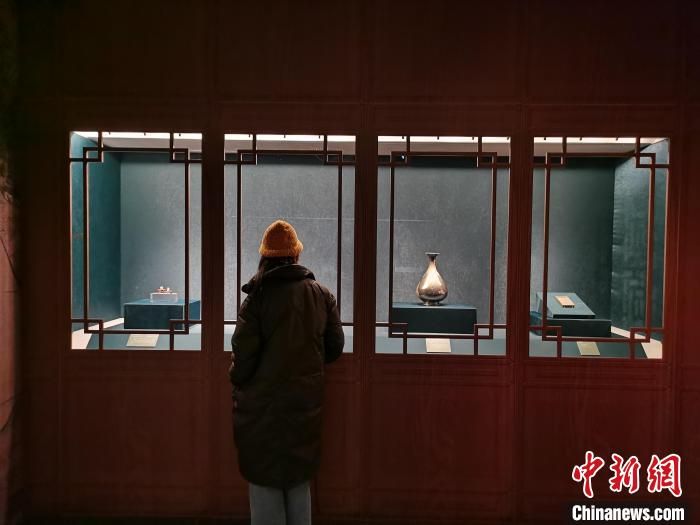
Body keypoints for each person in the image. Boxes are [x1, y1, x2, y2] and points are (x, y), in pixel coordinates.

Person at [229, 219, 345, 525]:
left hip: (261, 410)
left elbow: (243, 360)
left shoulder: (256, 300)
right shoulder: (321, 295)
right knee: (298, 480)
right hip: (304, 406)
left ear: (264, 256)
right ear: (296, 254)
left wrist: (237, 379)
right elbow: (334, 348)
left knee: (264, 482)